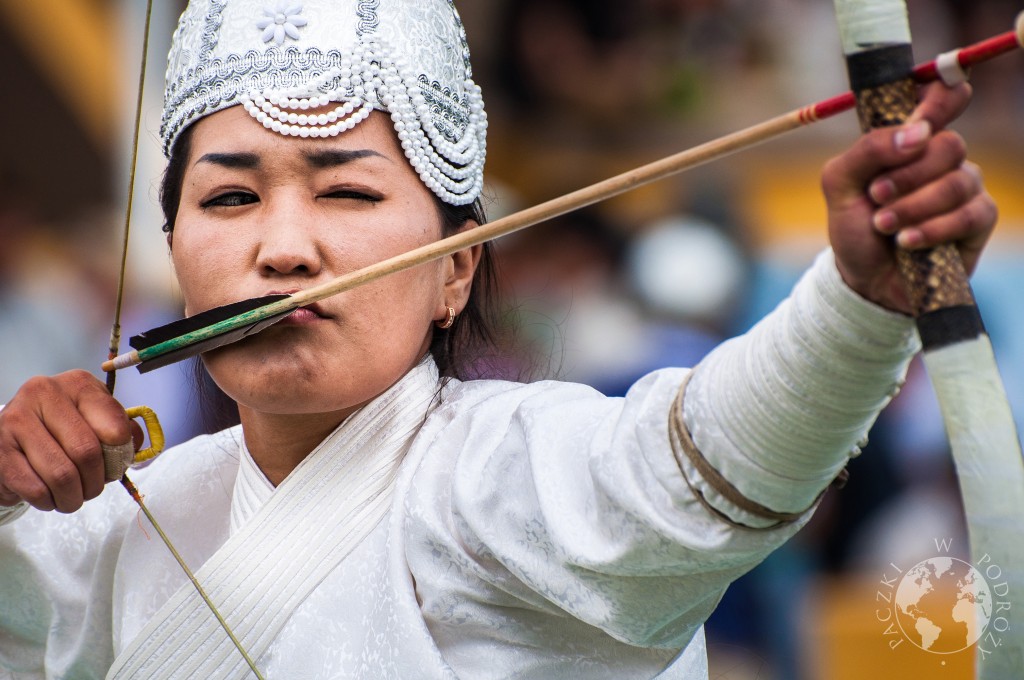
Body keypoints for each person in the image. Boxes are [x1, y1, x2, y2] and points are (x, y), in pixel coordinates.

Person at [0, 1, 995, 678]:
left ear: (454, 267)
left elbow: (690, 464)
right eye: (227, 197)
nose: (283, 245)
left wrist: (858, 302)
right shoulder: (114, 527)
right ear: (177, 251)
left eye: (347, 190)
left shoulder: (504, 471)